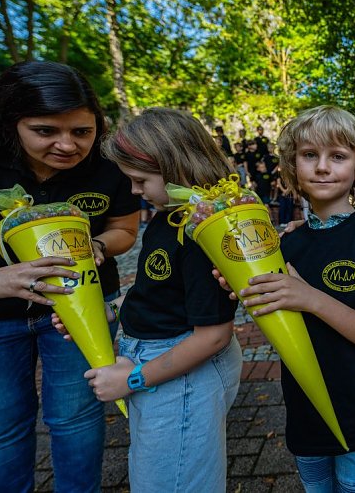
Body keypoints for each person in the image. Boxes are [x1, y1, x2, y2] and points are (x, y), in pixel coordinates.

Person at [236, 105, 355, 491]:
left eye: (338, 156)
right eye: (309, 155)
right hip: (304, 413)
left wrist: (311, 298)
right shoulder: (285, 246)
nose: (322, 167)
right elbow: (274, 322)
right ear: (292, 165)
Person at [0, 61, 139, 492]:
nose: (67, 145)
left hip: (82, 311)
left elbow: (125, 228)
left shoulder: (107, 168)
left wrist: (102, 245)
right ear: (10, 121)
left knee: (77, 417)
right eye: (46, 131)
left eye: (81, 132)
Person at [84, 108, 242, 491]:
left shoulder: (201, 231)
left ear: (176, 166)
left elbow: (213, 336)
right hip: (161, 367)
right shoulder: (165, 217)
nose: (135, 192)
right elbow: (152, 289)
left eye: (140, 180)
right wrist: (108, 311)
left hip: (179, 372)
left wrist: (134, 379)